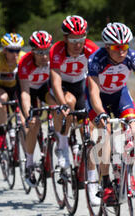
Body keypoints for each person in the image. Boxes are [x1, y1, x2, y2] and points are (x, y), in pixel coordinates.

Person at [86, 22, 135, 206]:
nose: (122, 51)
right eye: (117, 47)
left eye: (125, 46)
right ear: (108, 46)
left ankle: (128, 175)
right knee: (105, 131)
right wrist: (101, 114)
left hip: (119, 96)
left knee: (134, 129)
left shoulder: (132, 57)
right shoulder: (96, 59)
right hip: (98, 99)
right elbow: (93, 91)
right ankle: (105, 181)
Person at [50, 15, 99, 170]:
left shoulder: (91, 48)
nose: (78, 44)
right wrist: (63, 105)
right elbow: (56, 81)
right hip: (62, 85)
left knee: (89, 125)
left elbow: (96, 79)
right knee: (68, 103)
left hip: (79, 84)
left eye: (81, 38)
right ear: (65, 38)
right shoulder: (57, 50)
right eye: (73, 40)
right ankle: (62, 147)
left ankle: (87, 169)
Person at [18, 30, 57, 187]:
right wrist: (28, 115)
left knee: (57, 108)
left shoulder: (53, 59)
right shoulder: (24, 63)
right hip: (29, 91)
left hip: (44, 89)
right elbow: (25, 94)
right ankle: (28, 163)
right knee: (34, 123)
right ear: (32, 51)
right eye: (40, 52)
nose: (44, 56)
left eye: (46, 51)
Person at [0, 33, 26, 152]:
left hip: (16, 87)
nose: (15, 54)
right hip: (2, 87)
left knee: (23, 119)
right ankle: (1, 132)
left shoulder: (22, 57)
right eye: (11, 50)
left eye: (18, 50)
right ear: (4, 50)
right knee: (3, 98)